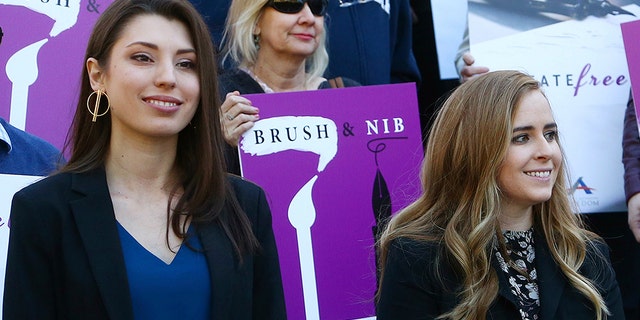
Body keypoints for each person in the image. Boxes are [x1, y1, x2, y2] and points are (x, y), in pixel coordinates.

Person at [3, 0, 286, 318]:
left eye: (186, 64)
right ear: (98, 75)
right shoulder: (43, 210)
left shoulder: (246, 205)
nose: (168, 78)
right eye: (143, 58)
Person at [376, 70, 624, 319]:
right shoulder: (418, 256)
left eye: (550, 134)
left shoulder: (586, 254)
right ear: (474, 151)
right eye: (522, 138)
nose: (546, 151)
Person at [218, 0, 359, 174]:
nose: (308, 18)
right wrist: (218, 143)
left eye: (317, 7)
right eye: (290, 4)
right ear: (255, 22)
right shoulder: (219, 95)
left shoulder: (347, 94)